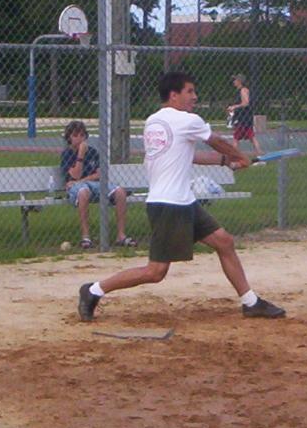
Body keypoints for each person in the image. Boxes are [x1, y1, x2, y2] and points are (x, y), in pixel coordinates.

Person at [77, 71, 285, 321]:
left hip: (183, 201)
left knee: (224, 241)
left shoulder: (154, 121)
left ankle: (250, 302)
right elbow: (216, 140)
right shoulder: (187, 120)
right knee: (156, 272)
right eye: (189, 92)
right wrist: (240, 156)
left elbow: (187, 155)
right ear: (173, 95)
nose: (195, 97)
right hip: (169, 205)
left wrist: (226, 162)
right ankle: (93, 290)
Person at [61, 120, 135, 249]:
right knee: (83, 192)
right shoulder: (67, 154)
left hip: (94, 185)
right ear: (69, 138)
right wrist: (80, 155)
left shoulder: (93, 152)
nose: (79, 139)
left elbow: (99, 174)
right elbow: (75, 175)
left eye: (82, 135)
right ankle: (86, 237)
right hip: (76, 188)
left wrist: (82, 180)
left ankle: (121, 235)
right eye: (75, 135)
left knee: (120, 192)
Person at [227, 73, 263, 157]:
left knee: (236, 138)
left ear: (240, 81)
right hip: (243, 117)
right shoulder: (240, 90)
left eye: (235, 80)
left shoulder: (243, 90)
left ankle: (234, 156)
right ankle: (260, 154)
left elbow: (245, 103)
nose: (234, 82)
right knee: (251, 137)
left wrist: (234, 107)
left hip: (244, 118)